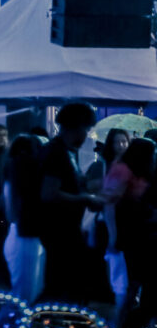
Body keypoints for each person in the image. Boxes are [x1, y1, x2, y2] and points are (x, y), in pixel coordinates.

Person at [39, 103, 104, 303]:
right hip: (59, 232)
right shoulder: (56, 152)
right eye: (86, 129)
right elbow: (48, 193)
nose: (87, 136)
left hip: (66, 230)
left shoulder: (67, 152)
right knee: (61, 289)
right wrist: (85, 199)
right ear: (77, 126)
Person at [102, 138, 156, 328]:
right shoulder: (124, 171)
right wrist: (113, 236)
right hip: (132, 236)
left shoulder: (139, 172)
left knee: (136, 285)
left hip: (140, 236)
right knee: (131, 285)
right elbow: (110, 204)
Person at [3, 134, 48, 302]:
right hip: (24, 234)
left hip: (23, 233)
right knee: (25, 294)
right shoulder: (21, 171)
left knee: (25, 293)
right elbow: (12, 213)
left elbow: (11, 213)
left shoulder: (13, 172)